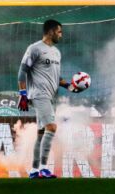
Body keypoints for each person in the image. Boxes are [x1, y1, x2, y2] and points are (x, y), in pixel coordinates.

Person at [17, 19, 80, 179]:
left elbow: (57, 77)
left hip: (50, 96)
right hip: (38, 94)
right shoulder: (35, 48)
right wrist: (22, 94)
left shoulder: (57, 53)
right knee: (51, 127)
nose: (61, 35)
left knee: (41, 133)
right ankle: (44, 168)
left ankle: (34, 170)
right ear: (51, 32)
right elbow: (22, 71)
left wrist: (70, 87)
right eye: (59, 31)